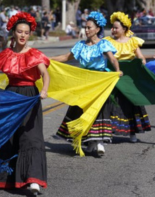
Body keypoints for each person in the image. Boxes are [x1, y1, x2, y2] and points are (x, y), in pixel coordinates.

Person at [0, 12, 50, 194]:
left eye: (26, 32)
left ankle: (33, 180)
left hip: (29, 96)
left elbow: (45, 74)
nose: (23, 35)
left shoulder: (34, 54)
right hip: (10, 97)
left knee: (31, 136)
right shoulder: (5, 54)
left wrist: (44, 90)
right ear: (13, 33)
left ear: (30, 34)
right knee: (9, 136)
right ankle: (6, 178)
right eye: (19, 32)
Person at [51, 11, 122, 156]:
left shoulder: (103, 44)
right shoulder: (80, 45)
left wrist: (117, 70)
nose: (87, 30)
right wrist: (46, 59)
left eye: (89, 27)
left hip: (98, 80)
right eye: (85, 27)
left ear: (97, 29)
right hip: (83, 80)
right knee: (80, 109)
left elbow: (112, 58)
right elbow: (66, 57)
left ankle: (100, 143)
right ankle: (88, 141)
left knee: (97, 110)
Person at [104, 11, 150, 143]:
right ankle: (110, 132)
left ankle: (132, 133)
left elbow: (139, 56)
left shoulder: (133, 41)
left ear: (124, 29)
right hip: (113, 77)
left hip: (129, 78)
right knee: (112, 103)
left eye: (116, 27)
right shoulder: (107, 42)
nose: (113, 30)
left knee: (130, 104)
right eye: (112, 27)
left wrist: (142, 60)